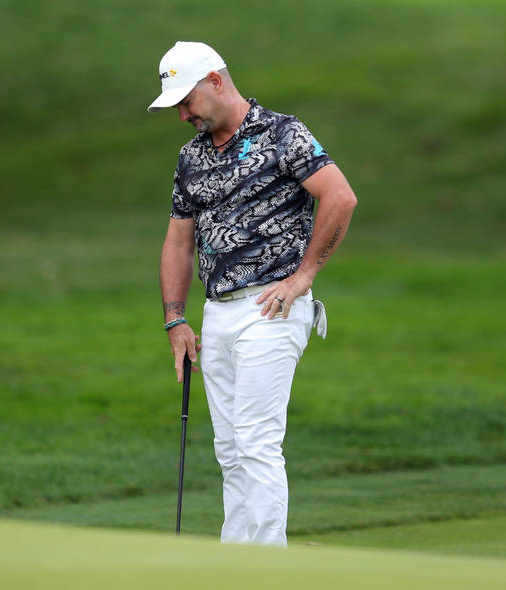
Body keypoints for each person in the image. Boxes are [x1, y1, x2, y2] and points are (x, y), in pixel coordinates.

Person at [150, 41, 357, 546]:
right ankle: (236, 565)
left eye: (187, 100)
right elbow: (178, 241)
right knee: (229, 449)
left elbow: (340, 196)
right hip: (217, 312)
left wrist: (304, 275)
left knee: (257, 442)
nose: (182, 114)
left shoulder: (283, 134)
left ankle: (267, 568)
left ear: (216, 81)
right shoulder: (191, 157)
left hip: (273, 307)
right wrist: (175, 320)